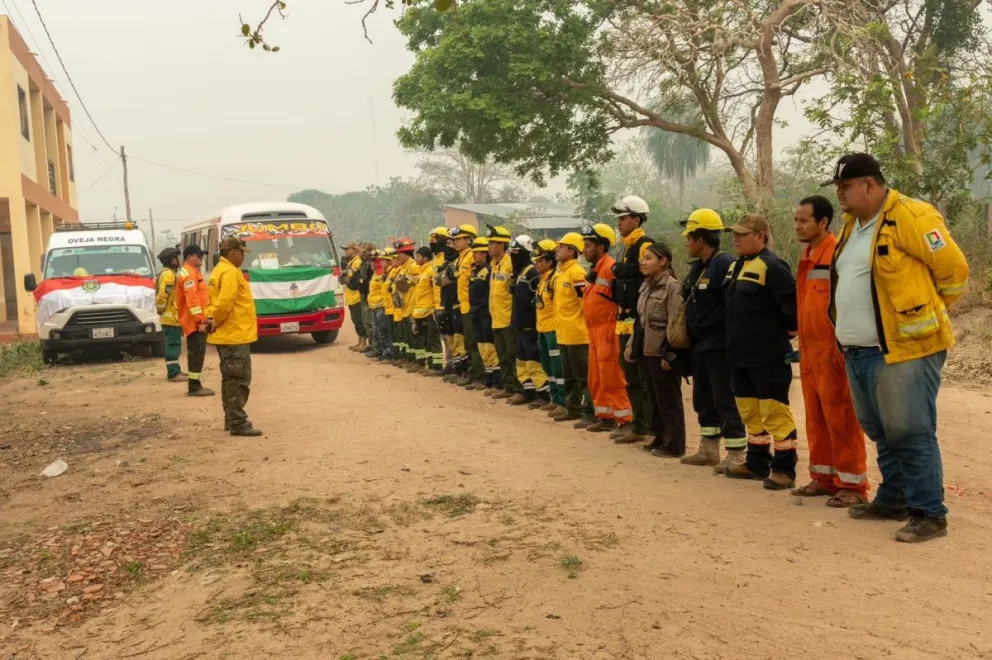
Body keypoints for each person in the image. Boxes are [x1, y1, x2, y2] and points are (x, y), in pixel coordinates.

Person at [823, 153, 969, 542]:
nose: (840, 194)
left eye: (844, 187)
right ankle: (894, 499)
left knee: (910, 430)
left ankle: (929, 513)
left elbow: (953, 272)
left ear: (869, 185)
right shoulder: (853, 225)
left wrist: (926, 314)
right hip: (859, 349)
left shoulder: (911, 216)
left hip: (904, 349)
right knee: (881, 429)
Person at [792, 195, 869, 507]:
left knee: (842, 416)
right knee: (816, 416)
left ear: (823, 222)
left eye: (804, 221)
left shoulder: (837, 253)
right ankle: (823, 477)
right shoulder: (810, 255)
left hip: (833, 350)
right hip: (810, 350)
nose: (798, 226)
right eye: (796, 220)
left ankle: (853, 485)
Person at [722, 214, 800, 490]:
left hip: (767, 357)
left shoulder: (774, 267)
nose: (737, 238)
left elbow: (791, 308)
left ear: (761, 235)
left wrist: (788, 334)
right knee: (749, 412)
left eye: (743, 234)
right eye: (735, 234)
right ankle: (756, 463)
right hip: (739, 356)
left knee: (775, 412)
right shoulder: (735, 267)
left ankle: (784, 469)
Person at [678, 209, 748, 472]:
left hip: (719, 347)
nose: (687, 243)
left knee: (725, 400)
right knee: (703, 399)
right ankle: (708, 449)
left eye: (689, 238)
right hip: (699, 347)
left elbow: (731, 307)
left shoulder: (723, 265)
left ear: (700, 239)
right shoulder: (699, 268)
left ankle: (736, 452)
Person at [625, 242, 686, 457]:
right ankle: (659, 438)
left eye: (649, 258)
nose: (643, 262)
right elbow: (640, 320)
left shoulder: (672, 287)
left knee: (668, 399)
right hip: (646, 350)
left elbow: (675, 322)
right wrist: (632, 343)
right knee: (654, 398)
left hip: (662, 353)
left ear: (663, 261)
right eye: (643, 258)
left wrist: (669, 354)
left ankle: (674, 444)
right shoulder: (646, 285)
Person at [205, 237, 261, 437]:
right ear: (234, 252)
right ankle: (237, 422)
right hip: (233, 334)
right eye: (242, 253)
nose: (244, 257)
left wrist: (213, 321)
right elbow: (224, 303)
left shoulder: (220, 270)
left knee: (230, 379)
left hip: (229, 334)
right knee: (238, 380)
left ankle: (231, 419)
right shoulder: (229, 272)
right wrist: (215, 321)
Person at [610, 196, 656, 443]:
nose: (619, 223)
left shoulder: (645, 246)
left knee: (642, 375)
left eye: (623, 218)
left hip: (640, 322)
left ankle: (646, 426)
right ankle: (639, 425)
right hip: (624, 319)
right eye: (618, 218)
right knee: (630, 374)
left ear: (637, 219)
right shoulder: (627, 247)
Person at [580, 223, 633, 433]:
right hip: (593, 331)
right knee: (596, 376)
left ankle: (626, 420)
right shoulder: (595, 269)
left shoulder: (610, 268)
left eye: (588, 244)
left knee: (612, 376)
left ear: (601, 247)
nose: (584, 249)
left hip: (608, 330)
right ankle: (605, 416)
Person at [552, 233, 595, 425]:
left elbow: (585, 303)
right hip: (563, 333)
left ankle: (590, 411)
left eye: (561, 247)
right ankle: (573, 408)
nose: (557, 250)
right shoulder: (560, 273)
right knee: (568, 376)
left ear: (572, 251)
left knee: (583, 378)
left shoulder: (577, 273)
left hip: (578, 335)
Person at [507, 235, 549, 406]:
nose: (513, 256)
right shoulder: (518, 273)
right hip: (519, 323)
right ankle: (528, 390)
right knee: (522, 360)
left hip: (530, 325)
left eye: (517, 253)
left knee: (533, 360)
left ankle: (543, 394)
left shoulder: (532, 273)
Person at [487, 225, 523, 399]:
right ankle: (508, 386)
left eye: (492, 243)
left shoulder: (510, 264)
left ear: (501, 245)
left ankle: (518, 388)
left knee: (512, 354)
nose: (489, 247)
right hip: (496, 317)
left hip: (508, 318)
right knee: (502, 355)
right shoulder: (494, 265)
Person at [176, 244, 214, 397]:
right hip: (194, 322)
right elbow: (192, 300)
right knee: (197, 354)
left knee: (196, 354)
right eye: (200, 256)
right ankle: (194, 387)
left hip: (193, 320)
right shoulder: (190, 274)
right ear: (190, 256)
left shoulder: (190, 272)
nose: (202, 259)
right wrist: (201, 321)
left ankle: (195, 385)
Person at [533, 239, 567, 414]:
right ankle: (554, 398)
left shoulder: (555, 279)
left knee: (557, 367)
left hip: (554, 330)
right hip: (543, 329)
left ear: (549, 261)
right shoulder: (542, 280)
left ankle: (563, 400)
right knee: (548, 366)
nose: (537, 264)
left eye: (540, 260)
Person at [449, 225, 484, 387]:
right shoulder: (460, 258)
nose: (455, 242)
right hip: (463, 306)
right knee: (467, 341)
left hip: (472, 307)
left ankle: (479, 375)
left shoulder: (471, 257)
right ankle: (470, 372)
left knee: (473, 342)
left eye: (458, 239)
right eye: (454, 240)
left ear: (469, 239)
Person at [467, 237, 502, 391]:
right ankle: (488, 380)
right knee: (482, 348)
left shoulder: (488, 270)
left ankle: (497, 382)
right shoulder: (476, 270)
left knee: (490, 347)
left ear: (484, 254)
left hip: (486, 315)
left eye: (477, 252)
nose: (473, 255)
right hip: (476, 313)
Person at [430, 227, 459, 377]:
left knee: (451, 337)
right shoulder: (436, 258)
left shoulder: (447, 257)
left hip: (448, 302)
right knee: (445, 336)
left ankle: (453, 365)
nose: (432, 241)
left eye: (435, 238)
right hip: (438, 301)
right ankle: (448, 364)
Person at [412, 246, 442, 376]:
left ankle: (437, 366)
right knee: (425, 340)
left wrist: (436, 308)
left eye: (418, 257)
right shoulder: (420, 271)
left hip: (429, 311)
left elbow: (435, 291)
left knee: (433, 339)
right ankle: (429, 364)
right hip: (420, 312)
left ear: (425, 258)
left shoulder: (430, 271)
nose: (416, 259)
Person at [155, 247, 184, 382]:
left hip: (172, 317)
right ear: (170, 260)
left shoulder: (169, 273)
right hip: (170, 317)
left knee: (176, 345)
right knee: (172, 345)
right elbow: (162, 295)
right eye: (176, 257)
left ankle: (176, 370)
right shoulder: (168, 275)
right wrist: (161, 309)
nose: (178, 260)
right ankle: (173, 373)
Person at [392, 239, 420, 368]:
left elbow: (417, 283)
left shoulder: (413, 266)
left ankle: (416, 362)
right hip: (404, 306)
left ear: (407, 253)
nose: (397, 256)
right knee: (407, 337)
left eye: (400, 253)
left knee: (414, 337)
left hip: (412, 307)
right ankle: (409, 359)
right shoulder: (403, 268)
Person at [367, 249, 393, 361]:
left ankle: (388, 353)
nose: (371, 263)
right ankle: (381, 352)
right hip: (374, 306)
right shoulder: (375, 274)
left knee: (383, 330)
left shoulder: (383, 274)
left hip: (381, 305)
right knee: (377, 330)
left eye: (374, 261)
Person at [341, 243, 367, 352]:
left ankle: (364, 343)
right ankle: (359, 342)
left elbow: (351, 276)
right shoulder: (351, 261)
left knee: (359, 320)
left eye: (348, 249)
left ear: (354, 250)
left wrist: (345, 273)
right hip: (351, 296)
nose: (346, 251)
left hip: (356, 296)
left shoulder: (357, 261)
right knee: (355, 320)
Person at [356, 243, 377, 355]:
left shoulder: (370, 264)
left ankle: (374, 345)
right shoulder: (363, 263)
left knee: (371, 321)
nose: (361, 254)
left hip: (370, 295)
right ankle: (370, 344)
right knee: (366, 321)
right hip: (364, 294)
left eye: (363, 252)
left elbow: (367, 281)